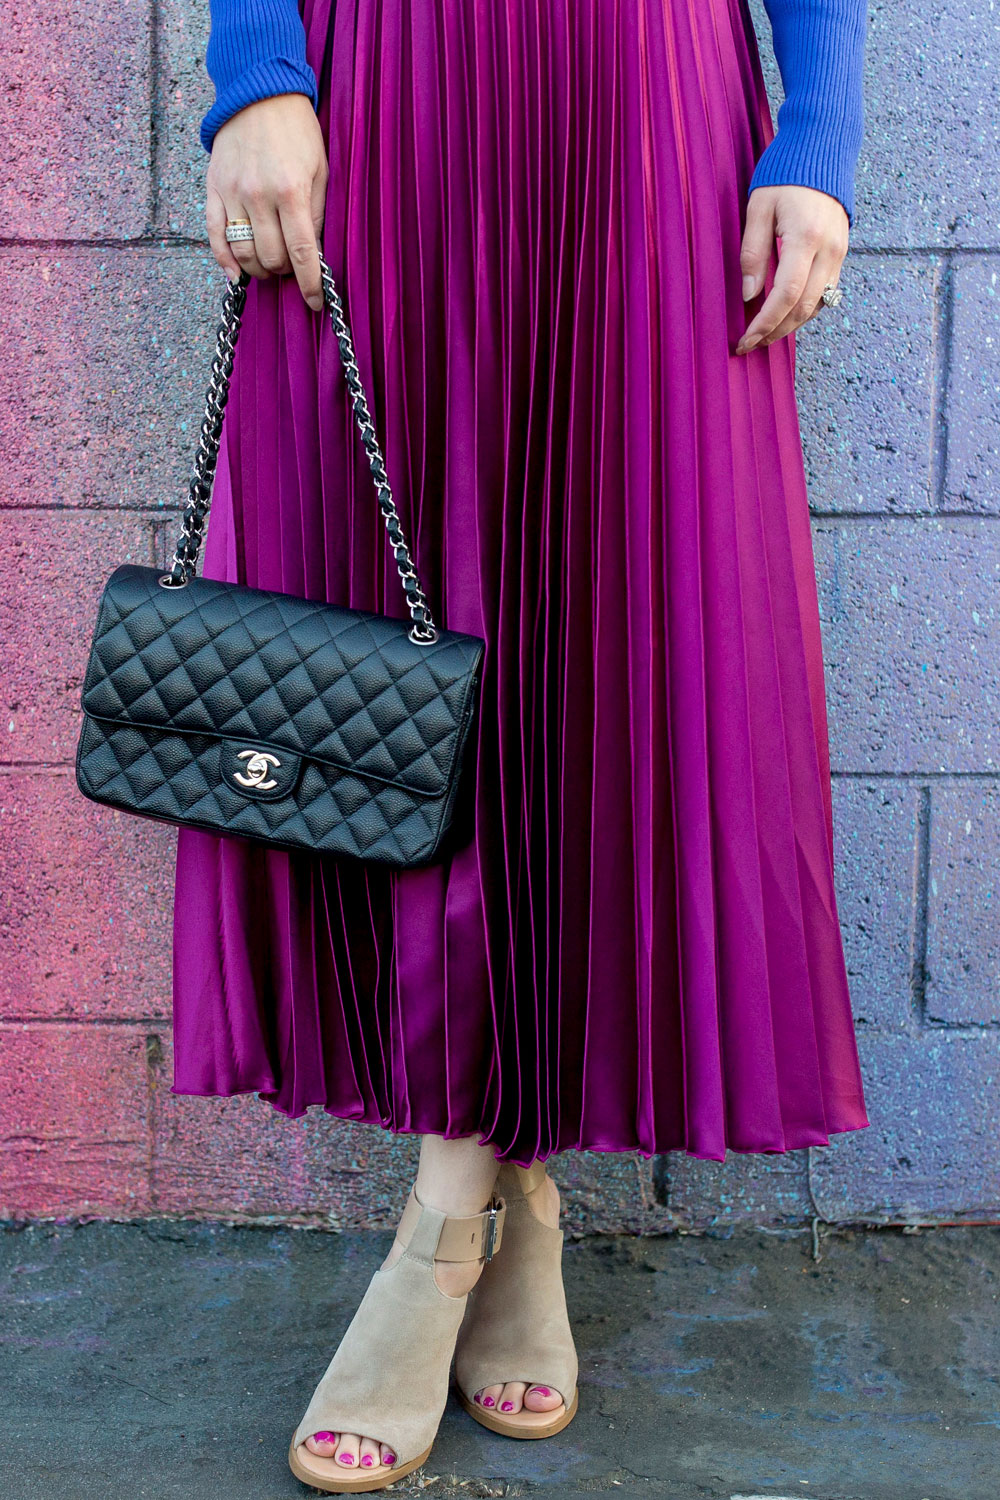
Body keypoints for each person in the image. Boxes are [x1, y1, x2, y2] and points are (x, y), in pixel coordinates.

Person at [175, 0, 870, 1489]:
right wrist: (254, 71)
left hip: (645, 114)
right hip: (392, 94)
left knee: (612, 629)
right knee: (396, 622)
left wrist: (817, 132)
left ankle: (452, 1219)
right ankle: (515, 1195)